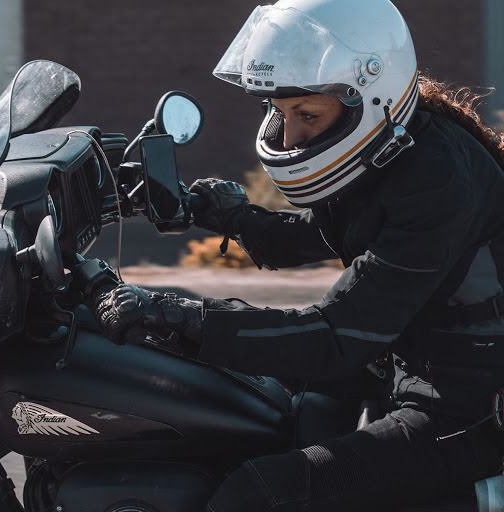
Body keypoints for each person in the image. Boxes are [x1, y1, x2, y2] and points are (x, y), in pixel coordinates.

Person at [95, 0, 504, 510]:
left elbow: (338, 336)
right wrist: (220, 213)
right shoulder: (394, 148)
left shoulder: (435, 178)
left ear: (370, 96)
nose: (289, 135)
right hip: (406, 359)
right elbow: (323, 235)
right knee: (256, 411)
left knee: (258, 492)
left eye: (307, 114)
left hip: (463, 410)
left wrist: (183, 316)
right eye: (279, 112)